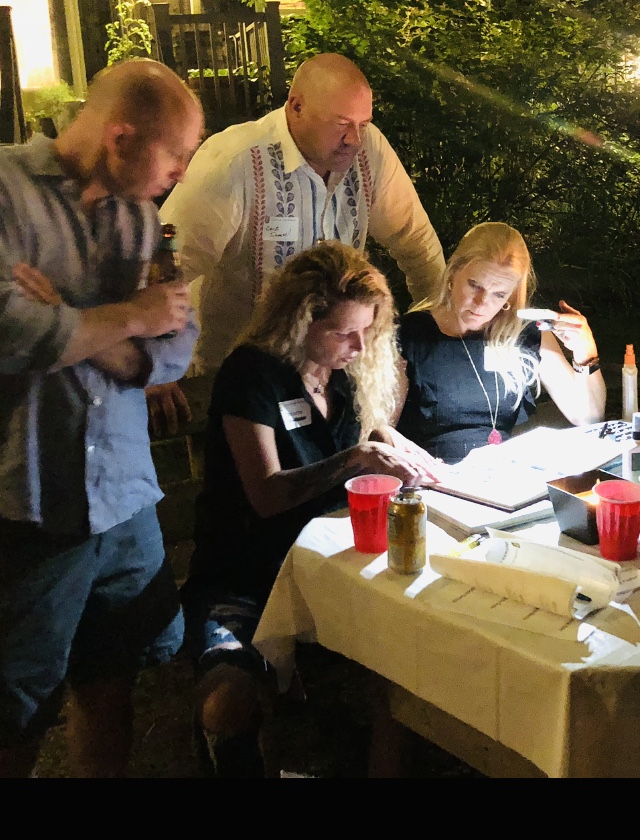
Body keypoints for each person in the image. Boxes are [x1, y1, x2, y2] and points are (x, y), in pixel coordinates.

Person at [0, 59, 204, 778]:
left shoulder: (142, 219)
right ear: (120, 136)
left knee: (112, 680)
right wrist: (133, 318)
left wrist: (72, 318)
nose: (181, 172)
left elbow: (177, 349)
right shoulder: (4, 193)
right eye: (175, 154)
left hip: (121, 496)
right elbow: (12, 333)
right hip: (31, 502)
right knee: (15, 708)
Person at [181, 240, 436, 778]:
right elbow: (267, 494)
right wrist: (354, 457)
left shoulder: (342, 374)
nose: (358, 345)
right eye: (343, 332)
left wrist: (385, 437)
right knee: (230, 702)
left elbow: (362, 435)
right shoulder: (252, 375)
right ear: (299, 322)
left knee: (417, 649)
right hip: (248, 571)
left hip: (331, 565)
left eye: (367, 330)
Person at [150, 52, 445, 434]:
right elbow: (166, 264)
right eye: (342, 123)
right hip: (240, 384)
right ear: (297, 106)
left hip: (334, 381)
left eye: (364, 123)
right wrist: (156, 362)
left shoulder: (369, 152)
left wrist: (436, 334)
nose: (355, 138)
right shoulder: (235, 163)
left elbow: (417, 245)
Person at [395, 221, 606, 462]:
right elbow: (381, 433)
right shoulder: (411, 335)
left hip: (501, 474)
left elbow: (588, 417)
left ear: (513, 294)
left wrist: (585, 352)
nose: (482, 303)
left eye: (499, 294)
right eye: (474, 285)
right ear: (453, 272)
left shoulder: (524, 333)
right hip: (428, 476)